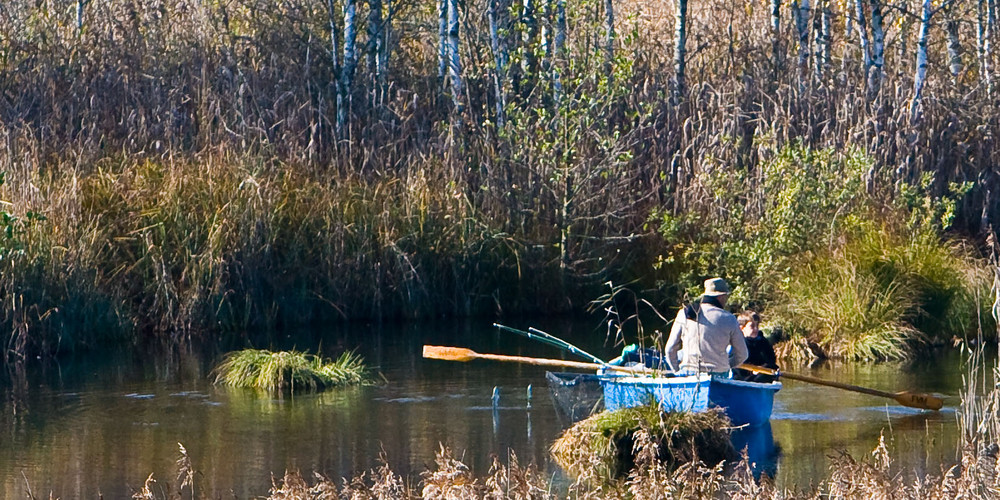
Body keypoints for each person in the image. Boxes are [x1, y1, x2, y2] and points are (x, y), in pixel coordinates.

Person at [665, 277, 748, 376]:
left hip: (689, 372)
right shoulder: (729, 318)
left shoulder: (685, 313)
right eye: (726, 296)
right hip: (719, 373)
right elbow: (742, 354)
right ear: (720, 297)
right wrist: (727, 365)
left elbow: (670, 349)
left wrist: (676, 371)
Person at [733, 311, 779, 383]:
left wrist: (762, 369)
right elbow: (736, 364)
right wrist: (752, 371)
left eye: (757, 326)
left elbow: (771, 360)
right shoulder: (737, 343)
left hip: (762, 375)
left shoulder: (764, 342)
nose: (756, 329)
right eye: (752, 326)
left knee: (766, 375)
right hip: (743, 377)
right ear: (741, 328)